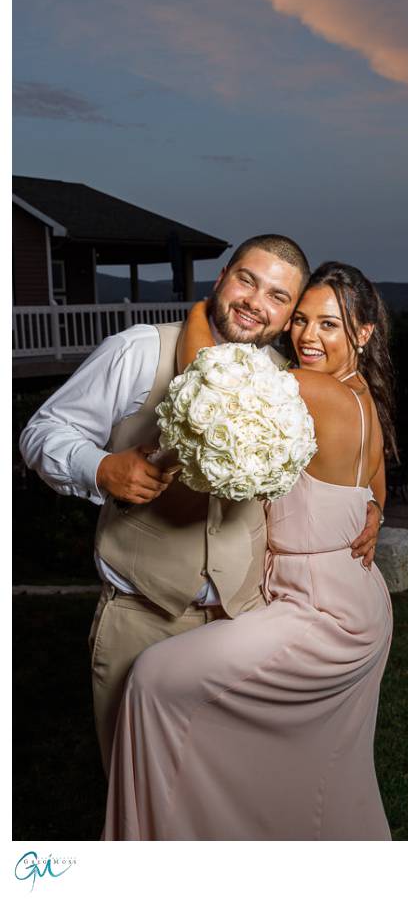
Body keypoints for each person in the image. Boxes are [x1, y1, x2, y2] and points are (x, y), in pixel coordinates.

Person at [19, 238, 383, 776]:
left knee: (229, 793)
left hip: (250, 617)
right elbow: (40, 432)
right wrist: (100, 468)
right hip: (144, 620)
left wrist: (368, 507)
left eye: (279, 296)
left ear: (286, 315)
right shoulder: (140, 349)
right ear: (221, 280)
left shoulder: (287, 378)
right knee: (142, 789)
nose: (256, 301)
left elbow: (351, 445)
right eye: (246, 280)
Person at [101, 261, 396, 840]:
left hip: (319, 611)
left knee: (155, 678)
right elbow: (375, 491)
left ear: (363, 334)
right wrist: (374, 514)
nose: (308, 337)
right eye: (302, 320)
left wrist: (196, 313)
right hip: (357, 601)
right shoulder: (361, 398)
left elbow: (207, 386)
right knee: (315, 771)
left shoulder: (316, 393)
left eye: (330, 325)